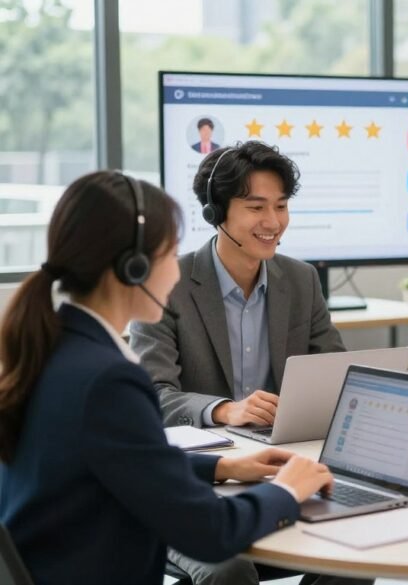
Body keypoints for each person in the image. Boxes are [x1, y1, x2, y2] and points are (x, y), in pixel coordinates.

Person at [0, 171, 334, 585]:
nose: (176, 271)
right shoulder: (108, 381)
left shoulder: (56, 348)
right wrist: (287, 489)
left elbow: (119, 461)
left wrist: (222, 467)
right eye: (169, 253)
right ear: (133, 267)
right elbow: (213, 532)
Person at [129, 142, 347, 583]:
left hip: (281, 466)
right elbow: (152, 395)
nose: (273, 222)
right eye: (255, 207)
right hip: (195, 482)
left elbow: (338, 375)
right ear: (215, 213)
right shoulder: (169, 282)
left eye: (281, 206)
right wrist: (225, 409)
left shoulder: (301, 280)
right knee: (228, 568)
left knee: (357, 548)